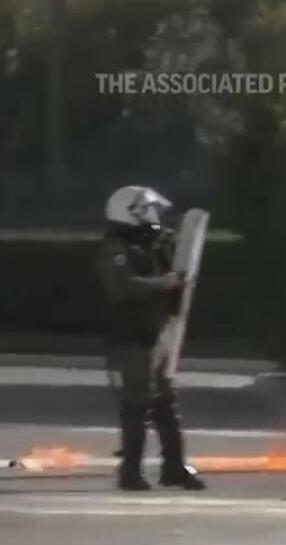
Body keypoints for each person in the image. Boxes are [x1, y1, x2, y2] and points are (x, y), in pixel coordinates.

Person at [97, 186, 206, 491]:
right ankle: (130, 472)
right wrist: (164, 283)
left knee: (165, 405)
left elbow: (170, 275)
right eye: (149, 210)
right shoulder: (115, 248)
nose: (155, 217)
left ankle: (173, 468)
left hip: (155, 336)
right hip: (131, 338)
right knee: (136, 406)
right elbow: (124, 285)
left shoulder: (146, 246)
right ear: (132, 212)